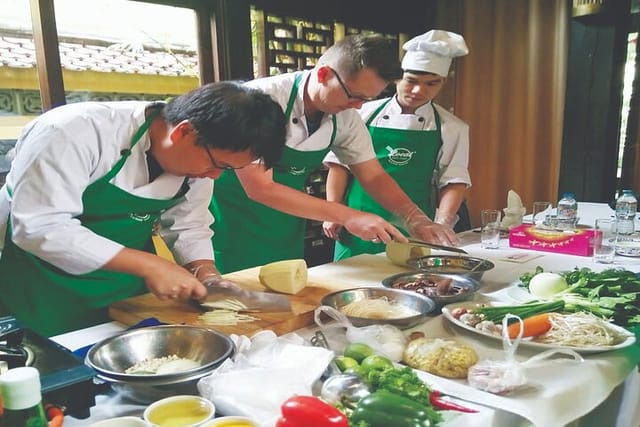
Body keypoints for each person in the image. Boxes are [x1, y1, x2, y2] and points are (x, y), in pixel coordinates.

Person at [0, 82, 287, 336]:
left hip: (124, 288)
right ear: (184, 131)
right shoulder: (71, 132)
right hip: (42, 285)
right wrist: (151, 265)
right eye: (218, 165)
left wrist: (207, 275)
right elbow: (40, 228)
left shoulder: (198, 163)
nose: (215, 176)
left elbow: (189, 225)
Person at [210, 34, 457, 274]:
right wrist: (349, 215)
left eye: (367, 99)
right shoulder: (259, 101)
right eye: (354, 96)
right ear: (324, 74)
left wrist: (415, 217)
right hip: (232, 220)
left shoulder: (345, 116)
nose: (359, 106)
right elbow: (260, 188)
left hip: (286, 220)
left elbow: (373, 176)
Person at [323, 30, 471, 260]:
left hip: (414, 227)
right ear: (397, 78)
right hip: (359, 223)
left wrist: (442, 224)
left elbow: (453, 181)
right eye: (411, 81)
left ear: (443, 81)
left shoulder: (452, 127)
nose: (419, 91)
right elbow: (339, 166)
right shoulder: (362, 113)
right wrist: (334, 211)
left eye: (432, 84)